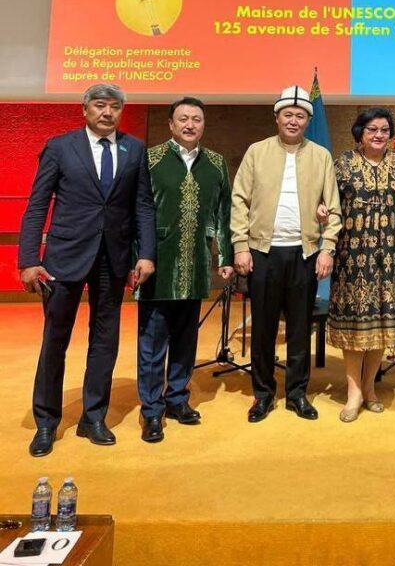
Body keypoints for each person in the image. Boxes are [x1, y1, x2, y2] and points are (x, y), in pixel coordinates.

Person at [18, 84, 156, 456]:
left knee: (105, 341)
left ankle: (93, 417)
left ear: (121, 111)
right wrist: (29, 259)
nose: (107, 113)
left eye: (114, 107)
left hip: (114, 259)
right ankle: (46, 422)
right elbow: (37, 204)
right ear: (85, 109)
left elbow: (143, 206)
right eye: (99, 105)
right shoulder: (61, 147)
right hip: (64, 258)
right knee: (55, 340)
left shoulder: (134, 149)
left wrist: (146, 254)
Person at [231, 85, 342, 423]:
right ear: (277, 117)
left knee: (299, 328)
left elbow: (334, 209)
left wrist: (327, 248)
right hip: (263, 252)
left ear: (308, 120)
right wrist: (240, 245)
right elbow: (239, 200)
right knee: (263, 329)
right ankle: (263, 395)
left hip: (304, 254)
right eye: (288, 115)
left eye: (301, 116)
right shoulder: (257, 151)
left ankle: (297, 394)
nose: (294, 121)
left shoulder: (321, 156)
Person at [137, 97, 234, 443]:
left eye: (196, 119)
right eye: (183, 119)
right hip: (157, 265)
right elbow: (138, 212)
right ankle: (151, 410)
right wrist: (140, 256)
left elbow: (223, 213)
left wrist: (225, 257)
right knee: (152, 342)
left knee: (185, 338)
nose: (190, 125)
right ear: (171, 124)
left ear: (203, 125)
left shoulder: (216, 163)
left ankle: (177, 399)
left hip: (195, 264)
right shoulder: (151, 159)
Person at [323, 108, 395, 422]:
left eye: (384, 129)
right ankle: (354, 392)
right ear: (360, 133)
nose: (379, 135)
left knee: (382, 325)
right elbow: (327, 201)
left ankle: (370, 387)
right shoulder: (343, 164)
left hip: (390, 257)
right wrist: (321, 211)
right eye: (372, 129)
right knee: (355, 325)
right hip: (352, 258)